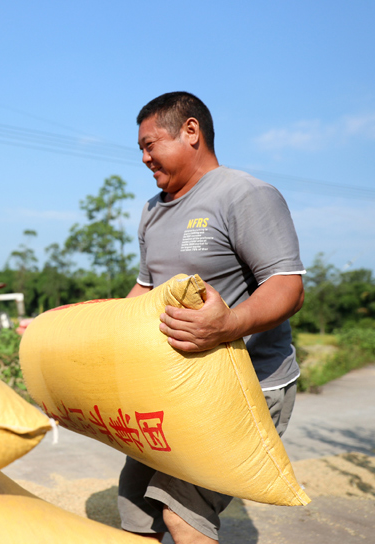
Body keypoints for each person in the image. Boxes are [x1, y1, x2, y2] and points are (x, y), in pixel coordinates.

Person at [121, 91, 305, 544]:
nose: (144, 158)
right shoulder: (152, 210)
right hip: (175, 386)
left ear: (190, 132)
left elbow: (288, 286)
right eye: (140, 149)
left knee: (182, 513)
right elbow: (144, 289)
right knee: (134, 505)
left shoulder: (245, 195)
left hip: (246, 385)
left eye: (150, 145)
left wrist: (228, 326)